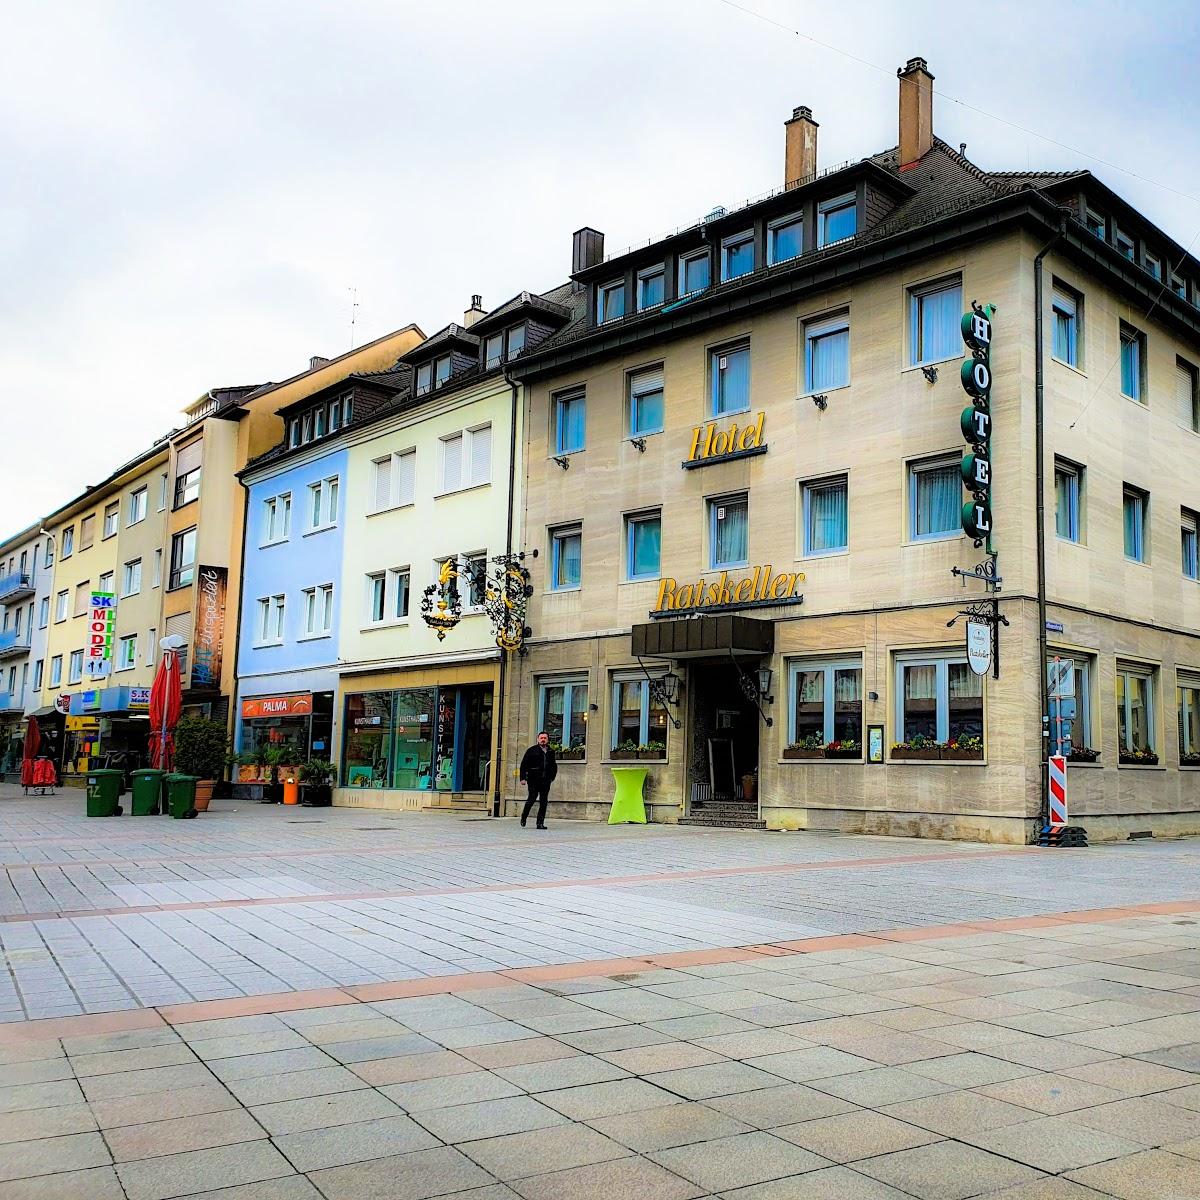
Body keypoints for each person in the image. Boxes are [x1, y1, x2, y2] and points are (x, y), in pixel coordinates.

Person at [519, 731, 558, 829]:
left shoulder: (551, 751)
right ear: (538, 739)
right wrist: (523, 778)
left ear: (548, 739)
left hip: (546, 780)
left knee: (544, 801)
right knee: (531, 799)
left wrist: (552, 777)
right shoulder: (531, 750)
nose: (543, 740)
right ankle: (524, 816)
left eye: (545, 738)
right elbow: (524, 765)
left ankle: (540, 823)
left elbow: (553, 765)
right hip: (533, 779)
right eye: (541, 738)